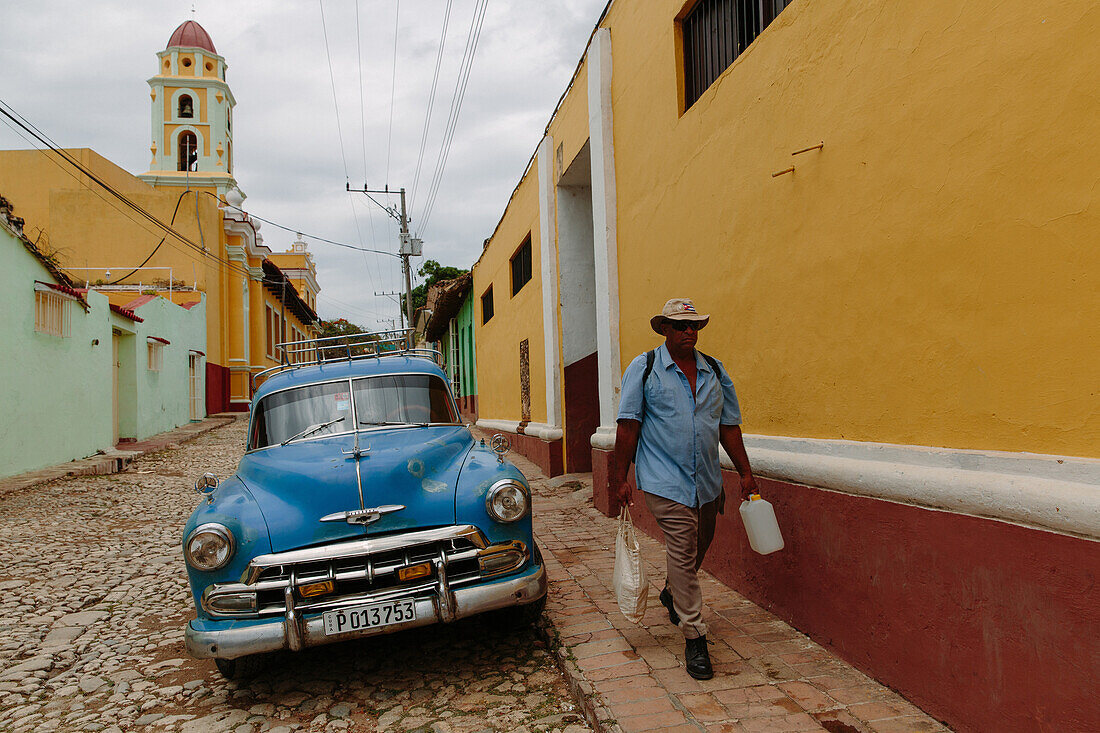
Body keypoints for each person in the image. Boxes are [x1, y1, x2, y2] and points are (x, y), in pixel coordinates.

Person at [610, 297, 758, 680]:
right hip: (663, 480)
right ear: (664, 329)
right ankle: (694, 635)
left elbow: (728, 426)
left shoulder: (715, 371)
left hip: (707, 481)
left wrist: (745, 472)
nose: (689, 331)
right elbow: (628, 425)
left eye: (694, 325)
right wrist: (618, 477)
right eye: (680, 326)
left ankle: (673, 592)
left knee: (699, 544)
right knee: (682, 545)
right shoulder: (643, 369)